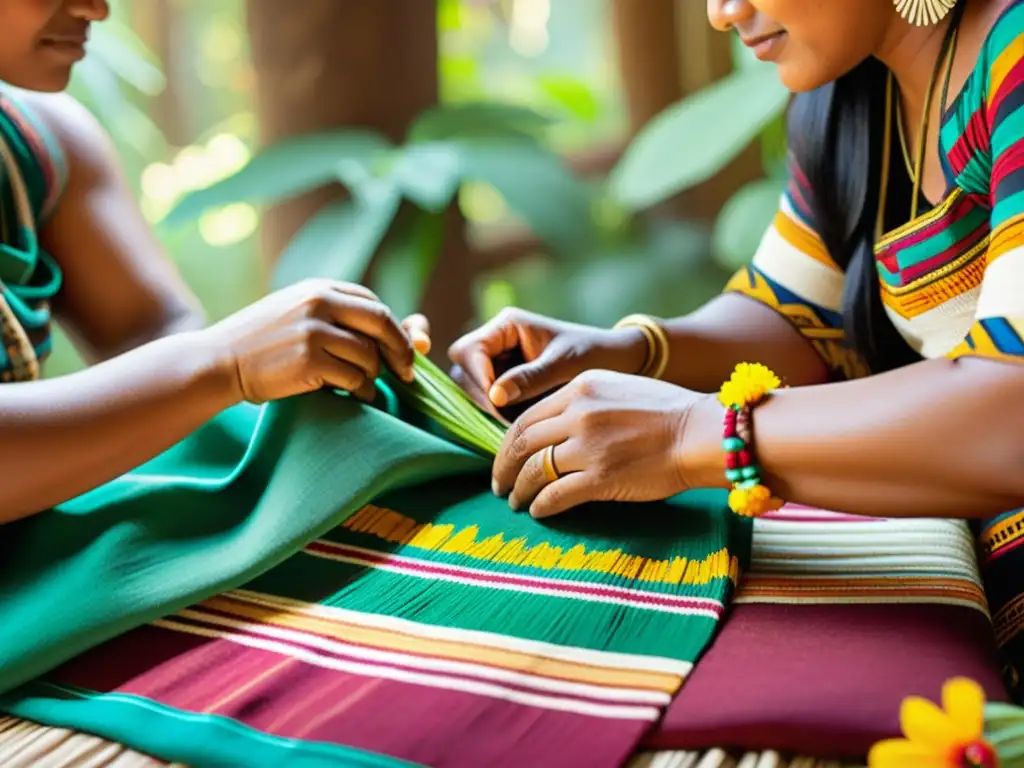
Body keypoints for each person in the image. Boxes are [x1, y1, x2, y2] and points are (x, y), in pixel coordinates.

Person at [0, 0, 431, 526]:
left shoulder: (43, 146)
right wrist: (227, 363)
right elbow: (195, 365)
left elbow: (156, 336)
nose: (97, 8)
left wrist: (318, 354)